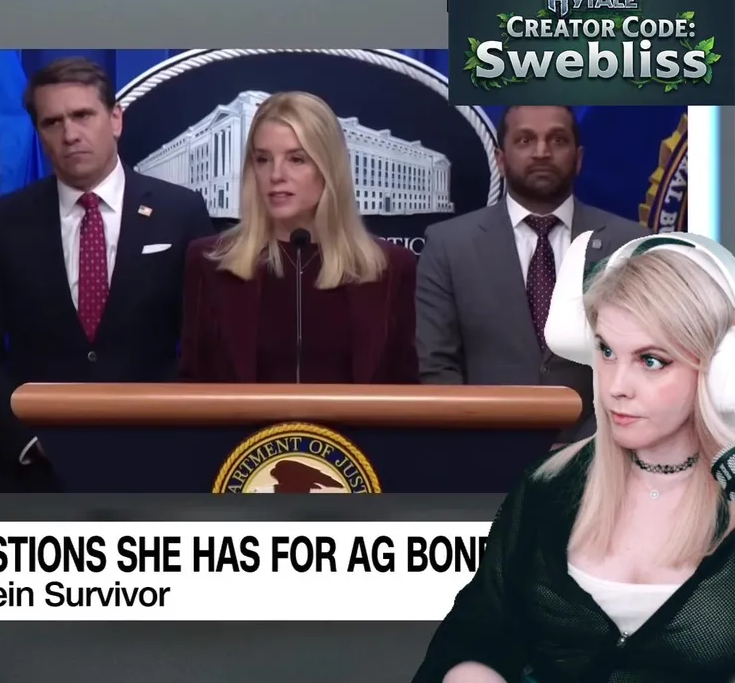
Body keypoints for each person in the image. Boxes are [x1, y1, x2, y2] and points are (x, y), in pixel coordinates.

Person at [412, 231, 735, 683]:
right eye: (606, 351)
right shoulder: (549, 485)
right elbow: (478, 631)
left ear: (721, 370)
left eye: (651, 361)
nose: (615, 386)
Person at [0, 57, 214, 492]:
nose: (70, 134)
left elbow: (206, 341)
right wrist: (27, 437)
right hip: (38, 476)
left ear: (115, 119)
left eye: (82, 115)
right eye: (52, 122)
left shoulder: (180, 212)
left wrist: (168, 425)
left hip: (155, 461)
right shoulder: (3, 222)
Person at [416, 105, 644, 442]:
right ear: (500, 159)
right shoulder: (449, 245)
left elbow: (644, 356)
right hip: (484, 449)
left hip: (604, 450)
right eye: (525, 140)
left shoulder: (629, 243)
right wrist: (471, 444)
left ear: (579, 158)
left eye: (557, 140)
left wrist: (599, 445)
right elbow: (437, 365)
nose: (541, 152)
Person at [179, 91, 417, 384]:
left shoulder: (390, 267)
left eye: (296, 159)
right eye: (263, 159)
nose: (276, 174)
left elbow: (404, 386)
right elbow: (192, 383)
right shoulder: (210, 262)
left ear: (328, 168)